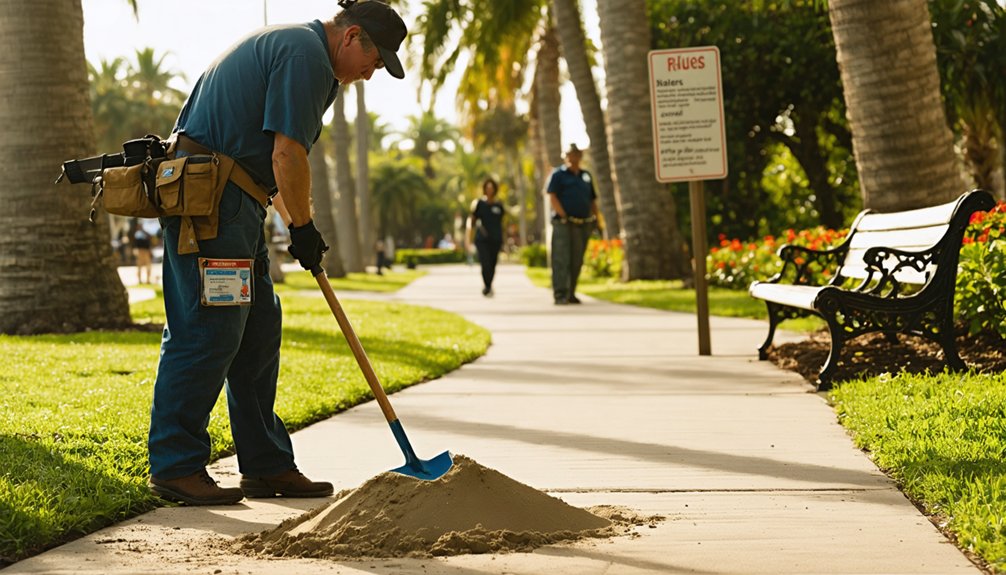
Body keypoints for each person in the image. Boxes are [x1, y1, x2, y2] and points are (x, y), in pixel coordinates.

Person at [147, 0, 408, 506]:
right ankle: (176, 465)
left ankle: (265, 466)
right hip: (213, 205)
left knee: (258, 332)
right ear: (353, 36)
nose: (371, 76)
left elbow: (275, 158)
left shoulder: (303, 50)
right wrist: (304, 227)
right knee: (209, 329)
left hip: (239, 202)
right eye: (375, 64)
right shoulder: (305, 55)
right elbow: (288, 151)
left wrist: (297, 228)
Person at [546, 144, 602, 305]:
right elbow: (552, 196)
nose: (573, 158)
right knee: (561, 259)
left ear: (580, 156)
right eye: (569, 155)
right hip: (563, 223)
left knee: (576, 259)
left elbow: (592, 199)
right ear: (565, 157)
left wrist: (596, 219)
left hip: (582, 223)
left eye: (576, 154)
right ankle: (560, 294)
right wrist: (564, 214)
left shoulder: (585, 176)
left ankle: (571, 293)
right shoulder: (558, 175)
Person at [465, 178, 505, 297]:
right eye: (487, 188)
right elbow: (471, 221)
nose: (489, 190)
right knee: (485, 262)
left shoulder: (499, 206)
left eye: (491, 188)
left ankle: (489, 284)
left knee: (492, 264)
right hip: (482, 239)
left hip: (496, 239)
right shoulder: (479, 204)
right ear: (484, 189)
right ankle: (487, 286)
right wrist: (468, 239)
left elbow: (502, 223)